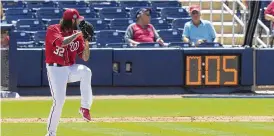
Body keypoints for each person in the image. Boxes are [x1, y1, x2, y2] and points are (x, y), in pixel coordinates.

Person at [45, 8, 94, 136]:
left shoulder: (77, 35)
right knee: (59, 102)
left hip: (70, 68)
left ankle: (85, 107)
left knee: (86, 71)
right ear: (72, 20)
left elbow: (85, 57)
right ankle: (51, 133)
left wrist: (87, 40)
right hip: (55, 69)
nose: (79, 22)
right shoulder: (53, 29)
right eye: (77, 19)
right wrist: (78, 35)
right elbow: (62, 42)